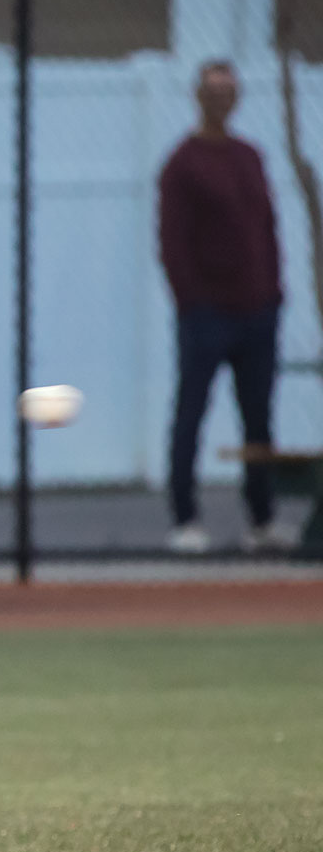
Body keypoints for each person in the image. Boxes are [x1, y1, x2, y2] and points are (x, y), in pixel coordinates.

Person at [158, 59, 285, 554]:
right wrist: (190, 297)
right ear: (198, 97)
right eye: (213, 90)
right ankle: (185, 517)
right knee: (192, 410)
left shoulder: (250, 157)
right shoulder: (183, 164)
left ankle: (262, 519)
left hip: (258, 309)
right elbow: (172, 240)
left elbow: (266, 227)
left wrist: (274, 290)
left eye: (229, 90)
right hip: (207, 311)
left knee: (258, 416)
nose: (221, 99)